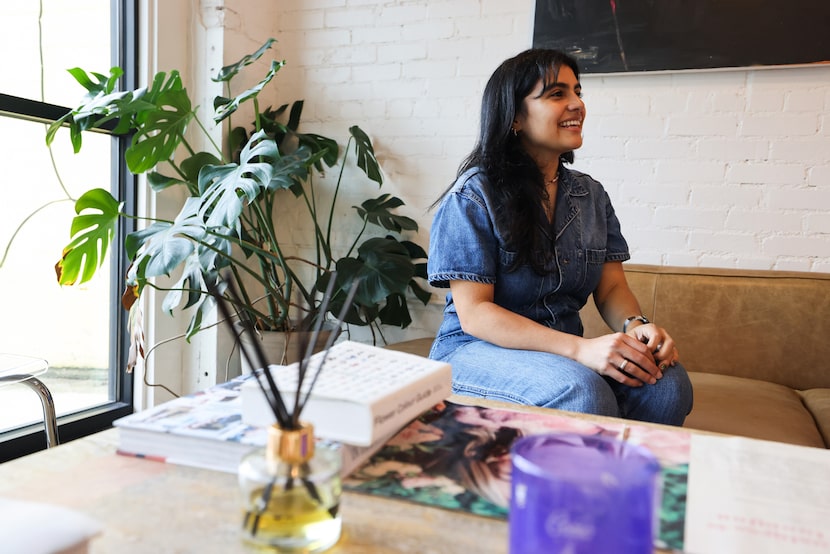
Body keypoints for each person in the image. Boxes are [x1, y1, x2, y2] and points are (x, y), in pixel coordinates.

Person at [427, 48, 693, 426]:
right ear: (516, 116)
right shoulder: (473, 195)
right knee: (581, 390)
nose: (577, 104)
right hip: (476, 350)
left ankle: (624, 481)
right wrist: (580, 350)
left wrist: (636, 327)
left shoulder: (591, 195)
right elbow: (475, 315)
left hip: (563, 352)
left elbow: (612, 288)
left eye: (577, 92)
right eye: (557, 94)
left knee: (666, 384)